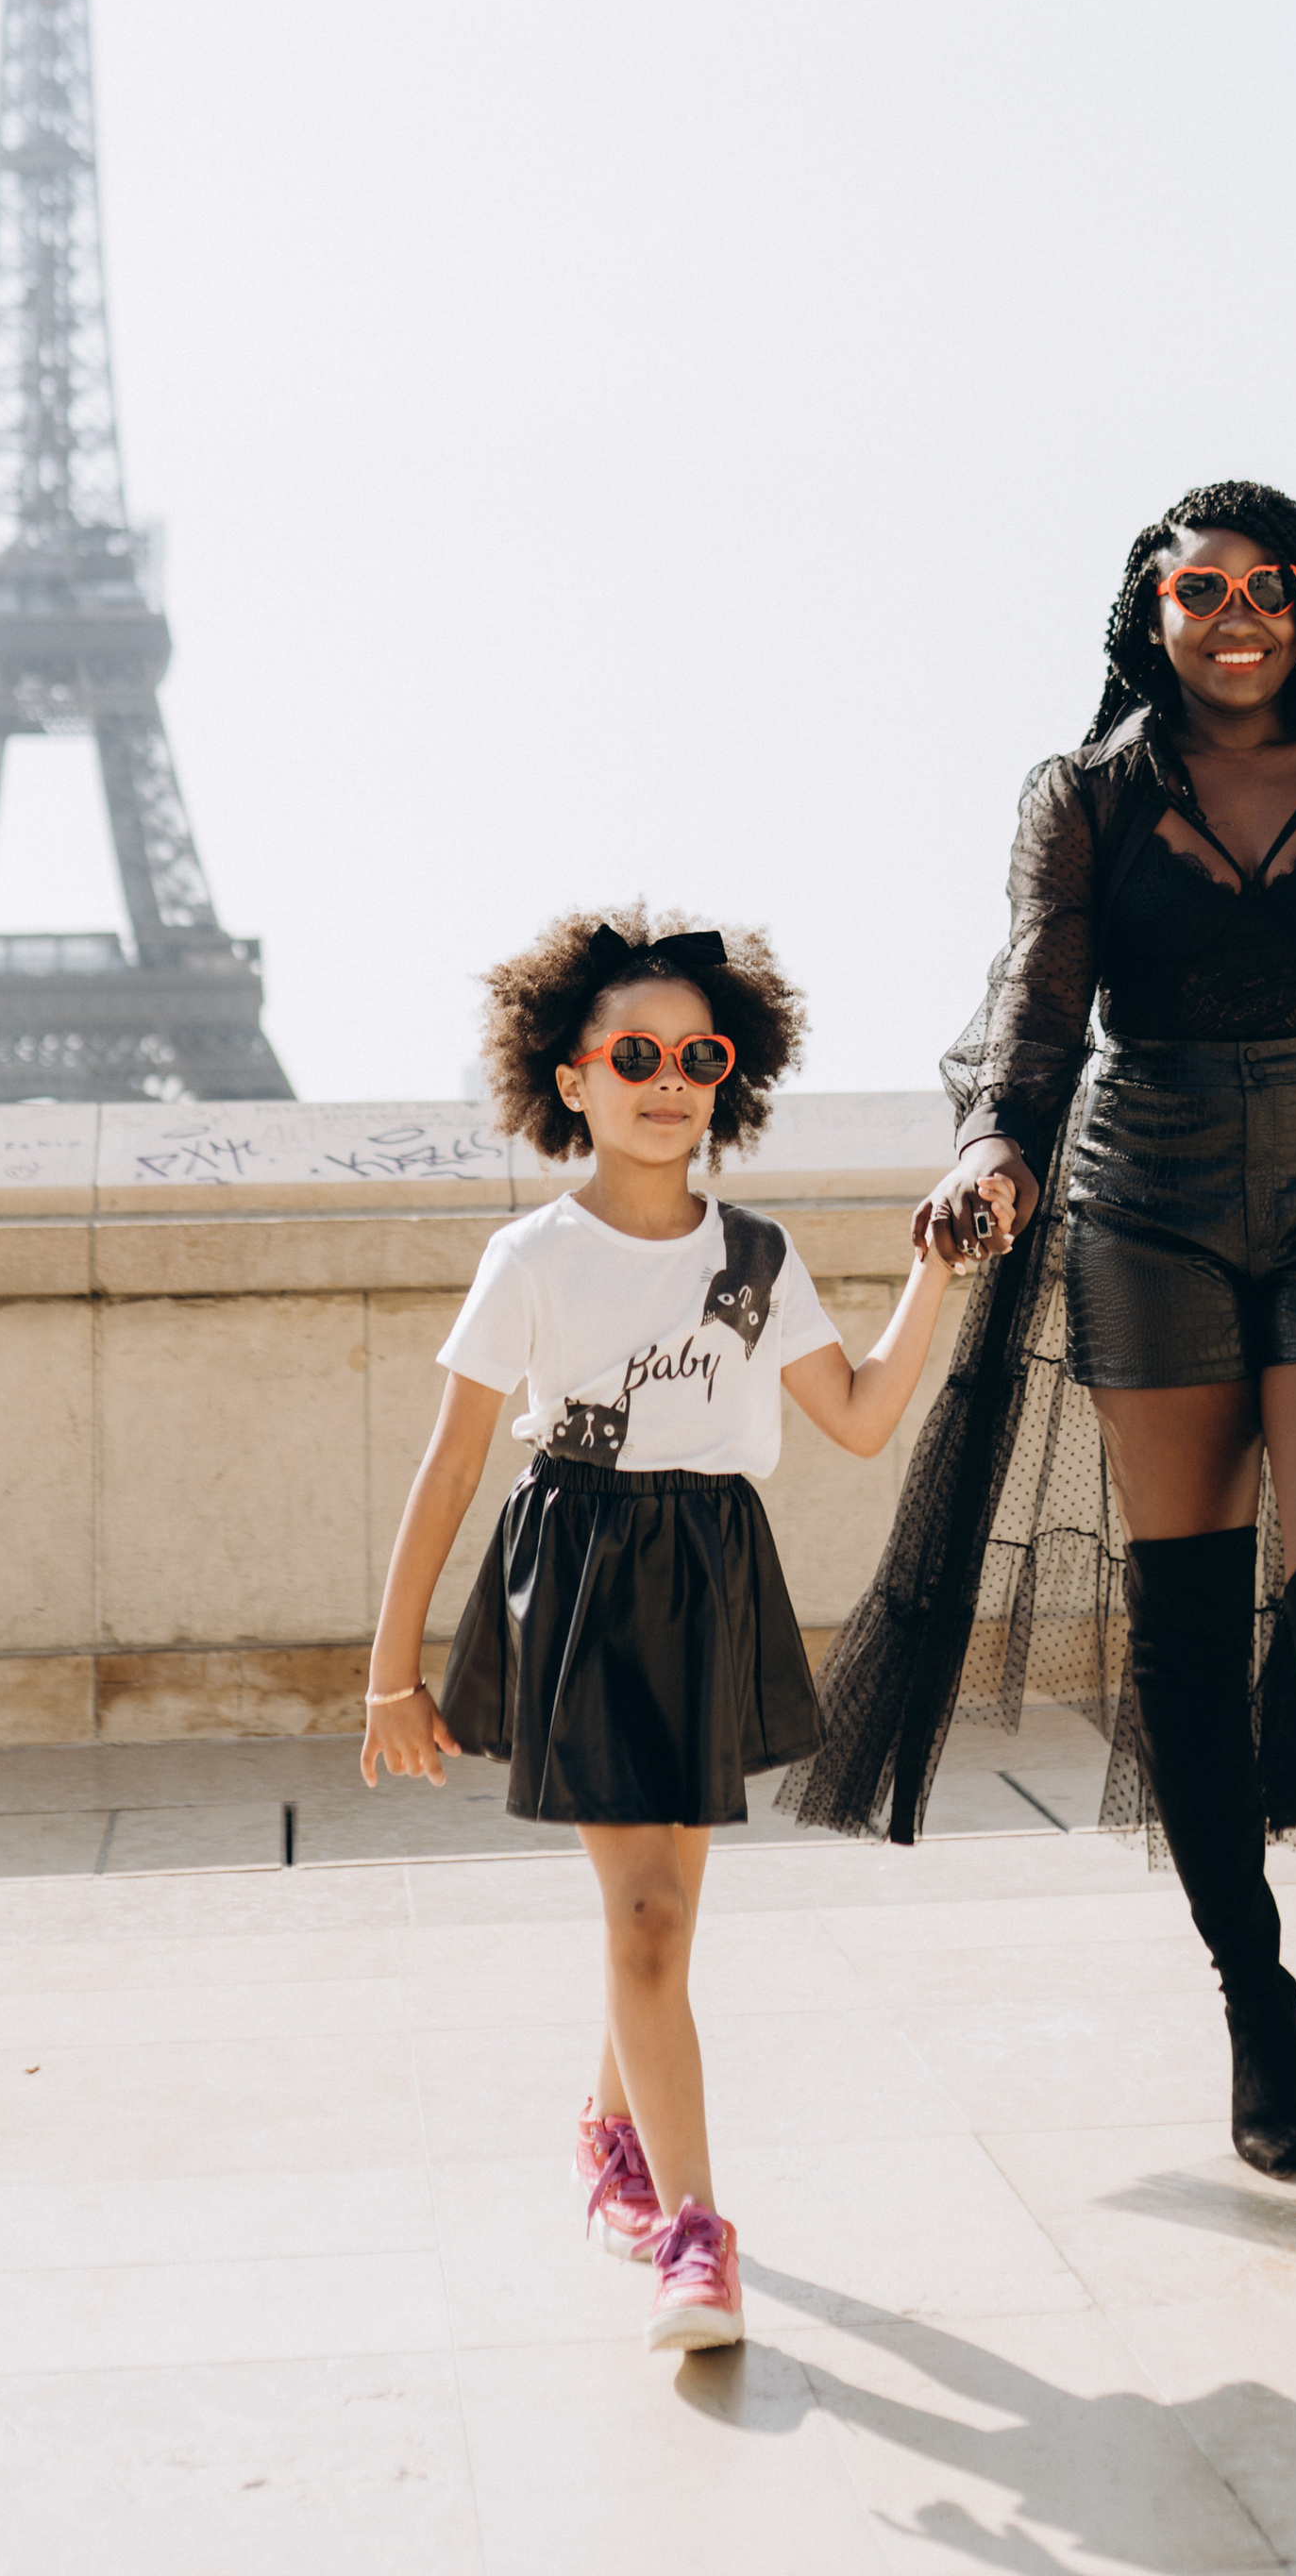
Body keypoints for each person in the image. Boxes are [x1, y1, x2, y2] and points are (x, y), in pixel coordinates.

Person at [788, 481, 1296, 2232]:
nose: (1237, 615)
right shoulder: (1087, 795)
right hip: (1149, 1192)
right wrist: (988, 1148)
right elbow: (1040, 1006)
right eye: (1203, 590)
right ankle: (1257, 2005)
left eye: (1271, 586)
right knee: (1182, 1623)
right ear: (1153, 611)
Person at [361, 907, 1001, 2350]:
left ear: (731, 1075)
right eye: (633, 1055)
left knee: (664, 1922)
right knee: (646, 1918)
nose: (668, 1081)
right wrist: (390, 1677)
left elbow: (860, 1416)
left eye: (697, 1056)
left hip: (709, 1571)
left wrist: (934, 1273)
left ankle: (611, 2135)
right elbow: (450, 1468)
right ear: (570, 1078)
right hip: (581, 1576)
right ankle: (698, 2237)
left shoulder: (755, 1256)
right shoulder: (530, 1256)